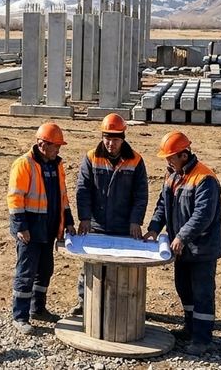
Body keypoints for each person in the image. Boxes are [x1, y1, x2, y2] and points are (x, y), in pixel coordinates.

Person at [143, 131, 221, 357]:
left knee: (202, 293)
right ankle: (190, 328)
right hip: (183, 248)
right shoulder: (172, 177)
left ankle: (202, 339)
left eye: (171, 157)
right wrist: (153, 229)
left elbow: (203, 215)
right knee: (184, 289)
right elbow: (162, 206)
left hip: (202, 249)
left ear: (184, 155)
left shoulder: (205, 178)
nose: (167, 161)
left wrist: (181, 237)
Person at [70, 113, 149, 316]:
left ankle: (121, 307)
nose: (110, 143)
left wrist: (135, 221)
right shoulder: (91, 158)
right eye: (107, 138)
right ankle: (83, 302)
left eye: (115, 139)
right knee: (89, 265)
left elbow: (141, 194)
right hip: (96, 224)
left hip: (124, 225)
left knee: (123, 267)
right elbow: (83, 190)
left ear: (123, 138)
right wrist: (85, 218)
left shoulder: (136, 161)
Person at [7, 123, 77, 335]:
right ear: (42, 144)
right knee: (26, 274)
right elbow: (15, 197)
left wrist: (69, 221)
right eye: (55, 145)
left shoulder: (56, 165)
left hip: (49, 229)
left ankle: (38, 309)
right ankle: (20, 316)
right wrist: (21, 227)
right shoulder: (24, 164)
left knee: (45, 271)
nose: (58, 149)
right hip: (30, 230)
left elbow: (62, 197)